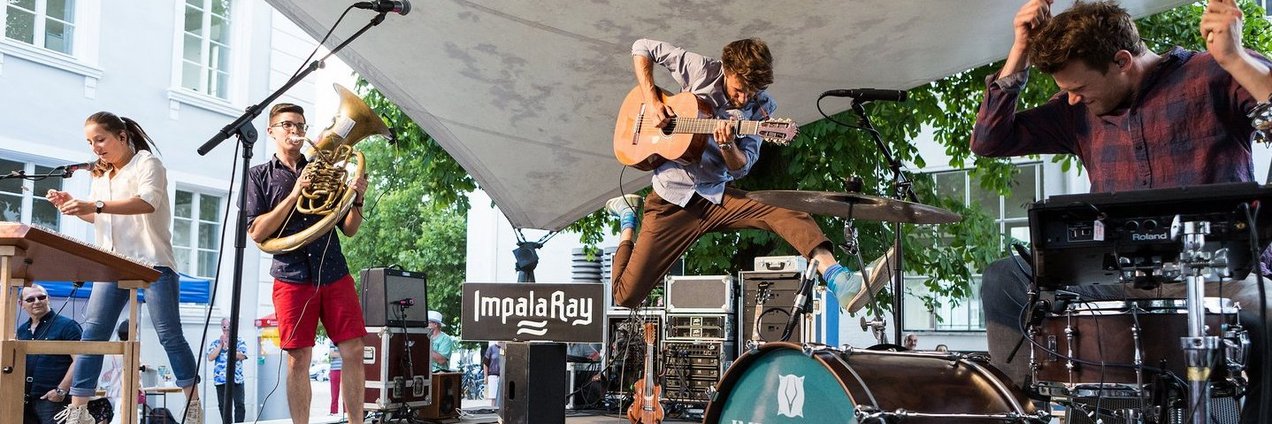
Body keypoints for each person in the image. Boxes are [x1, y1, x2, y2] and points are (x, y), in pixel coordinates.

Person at [972, 1, 1272, 422]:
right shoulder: (1075, 113)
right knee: (1004, 277)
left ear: (1121, 61)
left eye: (1080, 87)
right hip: (1122, 280)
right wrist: (1019, 50)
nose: (1072, 98)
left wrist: (1236, 59)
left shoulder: (1212, 73)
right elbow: (989, 141)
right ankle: (1022, 414)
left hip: (1222, 279)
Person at [606, 38, 894, 313]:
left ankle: (839, 279)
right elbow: (641, 47)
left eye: (752, 92)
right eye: (739, 89)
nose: (744, 98)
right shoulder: (701, 69)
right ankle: (628, 220)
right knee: (627, 295)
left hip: (714, 198)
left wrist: (727, 145)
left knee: (785, 208)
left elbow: (741, 167)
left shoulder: (762, 110)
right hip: (670, 200)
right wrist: (653, 102)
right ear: (726, 69)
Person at [46, 112, 202, 424]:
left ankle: (193, 405)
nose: (95, 148)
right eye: (90, 142)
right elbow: (100, 216)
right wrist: (74, 206)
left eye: (100, 139)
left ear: (121, 136)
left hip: (152, 260)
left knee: (169, 334)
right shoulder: (101, 176)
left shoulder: (147, 163)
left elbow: (147, 202)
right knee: (93, 333)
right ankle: (80, 409)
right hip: (112, 263)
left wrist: (95, 206)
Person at [245, 103, 368, 424]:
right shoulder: (258, 176)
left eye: (300, 125)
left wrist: (358, 197)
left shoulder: (323, 166)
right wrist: (295, 192)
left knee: (354, 350)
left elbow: (350, 228)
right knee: (298, 359)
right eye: (287, 124)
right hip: (291, 276)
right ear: (271, 131)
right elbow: (257, 231)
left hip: (334, 271)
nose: (295, 130)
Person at [17, 284, 81, 424]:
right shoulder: (22, 331)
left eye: (41, 297)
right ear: (21, 304)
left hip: (53, 401)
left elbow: (80, 361)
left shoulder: (68, 326)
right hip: (24, 401)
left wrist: (60, 391)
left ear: (48, 298)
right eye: (30, 299)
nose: (37, 301)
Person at [205, 318, 247, 423]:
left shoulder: (239, 341)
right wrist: (221, 345)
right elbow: (210, 357)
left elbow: (242, 356)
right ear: (221, 328)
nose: (227, 329)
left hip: (236, 379)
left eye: (229, 326)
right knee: (223, 405)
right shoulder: (215, 343)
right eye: (224, 326)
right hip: (221, 380)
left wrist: (229, 346)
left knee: (239, 404)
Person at [482, 342, 503, 407]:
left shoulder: (506, 348)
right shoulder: (491, 348)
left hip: (503, 375)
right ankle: (493, 410)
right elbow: (485, 363)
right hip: (493, 375)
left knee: (503, 396)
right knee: (493, 397)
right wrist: (486, 376)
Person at [328, 340, 342, 415]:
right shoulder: (333, 340)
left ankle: (346, 413)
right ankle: (333, 412)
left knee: (346, 394)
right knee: (334, 393)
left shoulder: (347, 339)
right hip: (334, 369)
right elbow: (331, 354)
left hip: (346, 369)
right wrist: (344, 353)